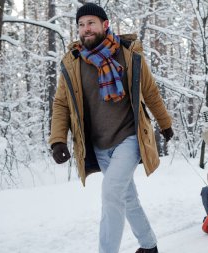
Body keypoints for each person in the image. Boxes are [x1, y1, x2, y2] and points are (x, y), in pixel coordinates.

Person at [49, 3, 173, 253]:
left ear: (105, 25)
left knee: (110, 194)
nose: (86, 29)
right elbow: (61, 103)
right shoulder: (73, 63)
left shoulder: (128, 55)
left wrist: (165, 123)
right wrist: (57, 140)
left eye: (91, 23)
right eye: (81, 25)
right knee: (125, 196)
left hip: (129, 139)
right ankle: (149, 246)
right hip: (100, 146)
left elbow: (150, 92)